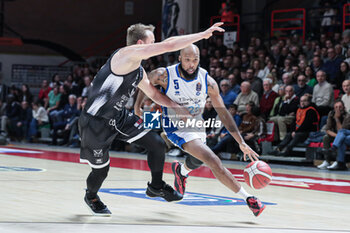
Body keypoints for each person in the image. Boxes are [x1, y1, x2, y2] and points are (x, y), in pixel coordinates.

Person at [79, 22, 225, 216]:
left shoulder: (138, 70)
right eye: (152, 41)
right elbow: (168, 45)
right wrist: (202, 35)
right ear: (140, 43)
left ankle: (156, 186)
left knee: (156, 144)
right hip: (95, 122)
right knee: (100, 172)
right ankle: (91, 196)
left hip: (119, 117)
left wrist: (177, 107)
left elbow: (154, 95)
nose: (156, 44)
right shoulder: (125, 55)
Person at [135, 44, 266, 217]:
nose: (191, 64)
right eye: (187, 60)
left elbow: (224, 113)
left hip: (197, 123)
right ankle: (249, 198)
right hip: (176, 126)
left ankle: (181, 171)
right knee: (212, 159)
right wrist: (137, 107)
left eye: (195, 60)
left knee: (197, 160)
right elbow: (145, 82)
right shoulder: (163, 75)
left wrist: (241, 142)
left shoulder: (208, 82)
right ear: (180, 58)